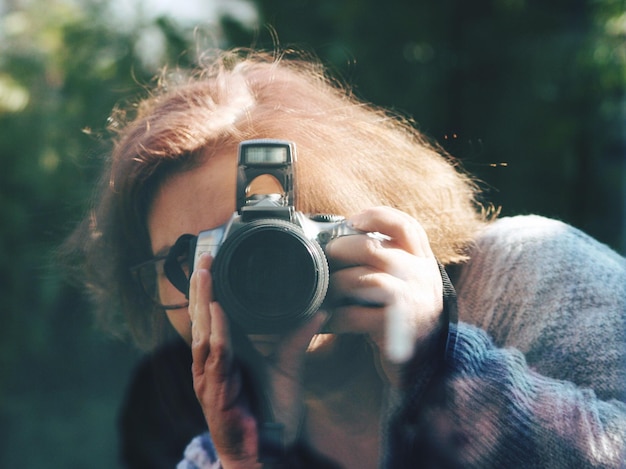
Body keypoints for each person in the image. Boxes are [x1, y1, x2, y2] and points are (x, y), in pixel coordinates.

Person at [62, 48, 626, 468]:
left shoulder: (525, 274)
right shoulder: (213, 453)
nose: (236, 278)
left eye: (271, 236)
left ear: (367, 213)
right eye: (189, 260)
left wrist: (444, 368)